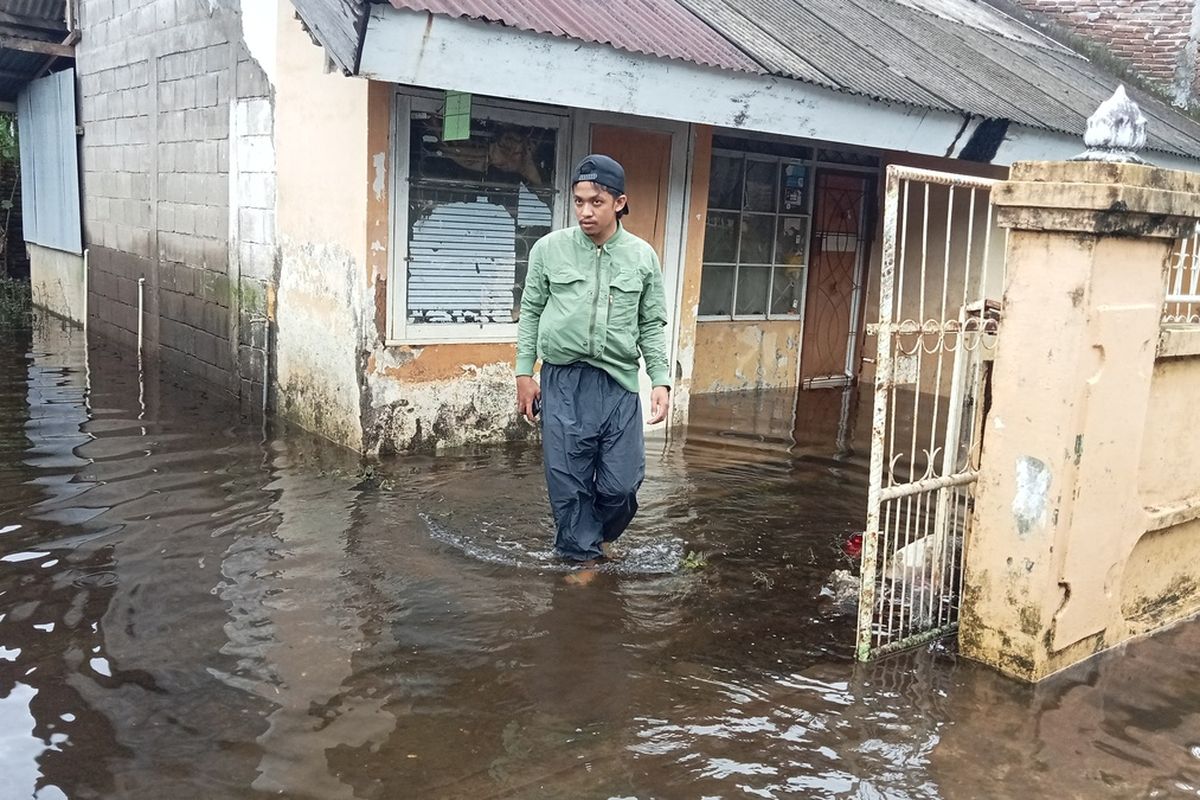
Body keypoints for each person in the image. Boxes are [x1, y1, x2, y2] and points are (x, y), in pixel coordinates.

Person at [515, 154, 671, 564]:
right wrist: (524, 373)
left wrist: (660, 380)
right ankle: (580, 561)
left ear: (619, 203)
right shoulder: (549, 250)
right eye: (579, 201)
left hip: (618, 381)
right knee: (568, 481)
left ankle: (594, 537)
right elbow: (531, 311)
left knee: (622, 485)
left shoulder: (642, 257)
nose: (585, 211)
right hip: (563, 381)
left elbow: (651, 324)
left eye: (596, 202)